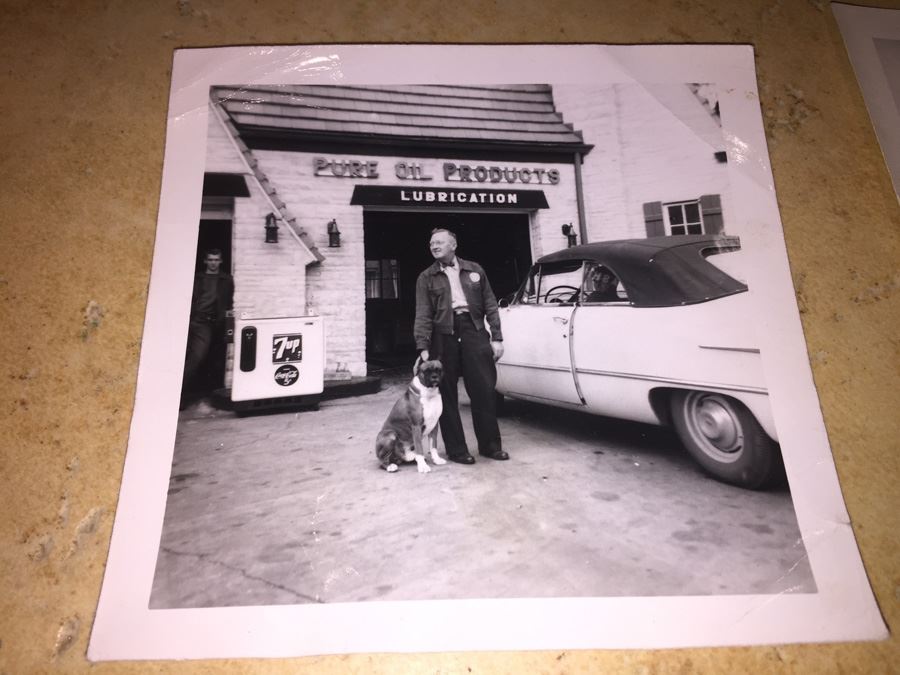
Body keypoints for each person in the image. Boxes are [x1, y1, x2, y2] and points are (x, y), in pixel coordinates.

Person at [413, 228, 507, 464]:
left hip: (474, 330)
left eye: (439, 242)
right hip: (442, 335)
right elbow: (423, 314)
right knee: (447, 394)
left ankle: (491, 446)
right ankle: (457, 450)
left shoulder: (474, 270)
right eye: (431, 242)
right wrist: (423, 347)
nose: (433, 246)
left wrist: (496, 337)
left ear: (453, 245)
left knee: (484, 390)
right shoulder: (426, 277)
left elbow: (490, 304)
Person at [181, 248, 234, 407]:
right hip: (197, 322)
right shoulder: (197, 278)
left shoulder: (226, 279)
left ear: (220, 261)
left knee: (211, 359)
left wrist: (227, 325)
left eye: (216, 260)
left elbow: (229, 304)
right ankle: (179, 396)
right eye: (210, 260)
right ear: (205, 261)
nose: (213, 263)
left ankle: (211, 396)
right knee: (195, 358)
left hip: (214, 323)